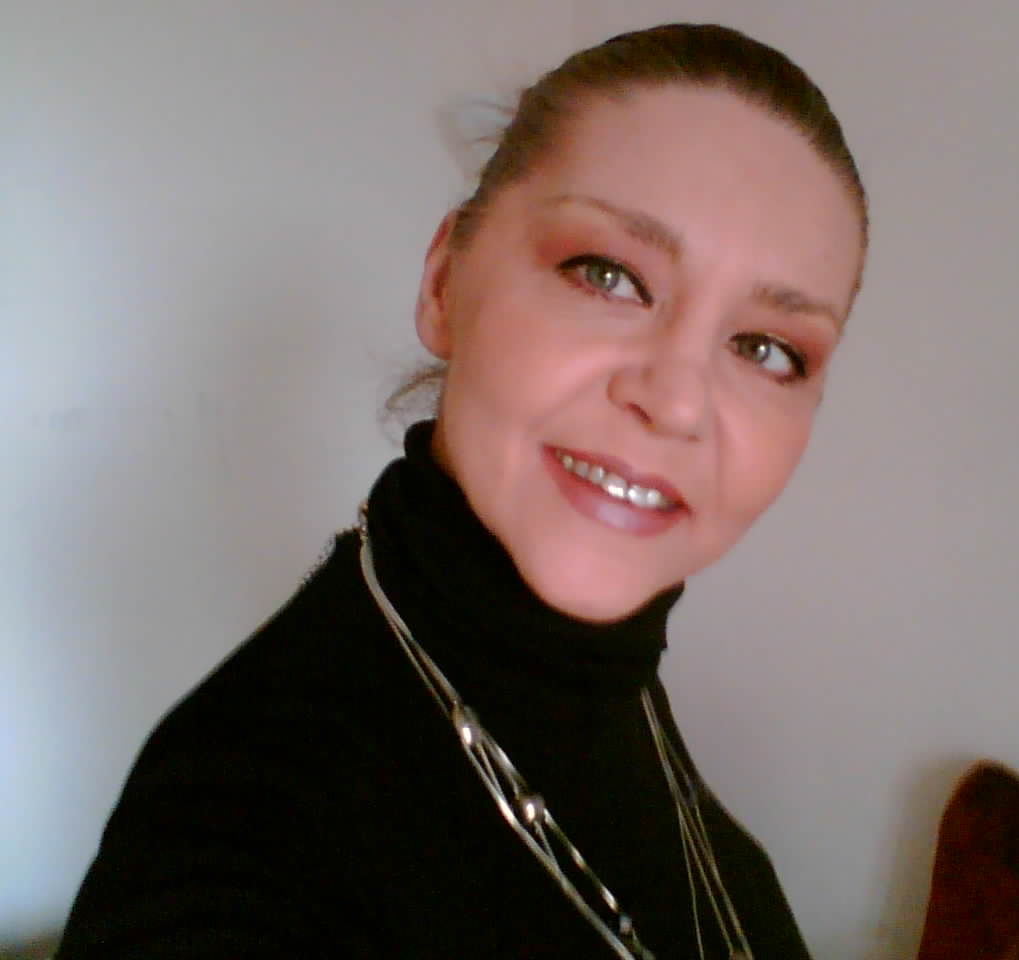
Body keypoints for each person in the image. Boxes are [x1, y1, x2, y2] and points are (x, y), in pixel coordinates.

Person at [57, 22, 868, 959]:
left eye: (768, 348)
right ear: (444, 282)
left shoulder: (608, 686)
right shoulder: (239, 819)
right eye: (609, 275)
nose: (678, 401)